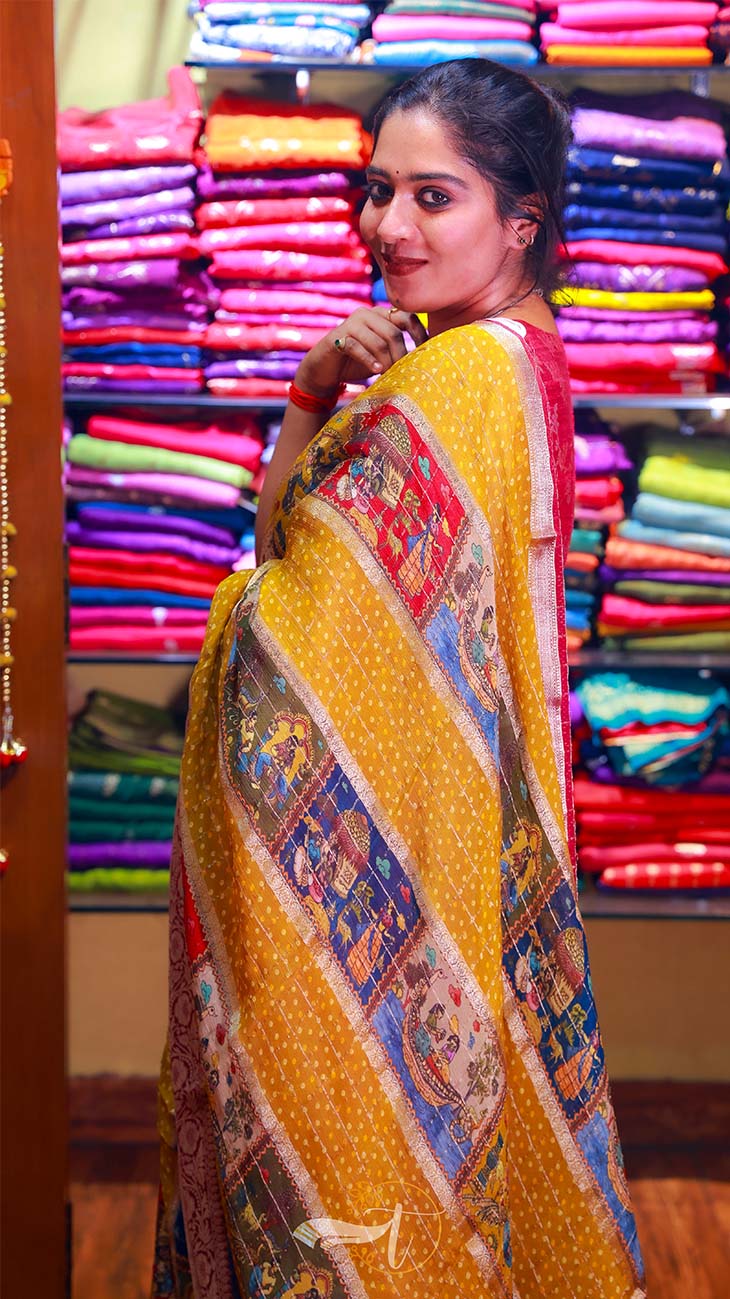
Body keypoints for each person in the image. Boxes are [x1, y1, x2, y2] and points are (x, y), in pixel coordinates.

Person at [152, 60, 646, 1299]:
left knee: (358, 1182)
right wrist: (324, 384)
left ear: (520, 220)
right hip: (441, 839)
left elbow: (281, 626)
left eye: (435, 198)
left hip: (372, 878)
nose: (388, 227)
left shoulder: (449, 381)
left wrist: (320, 402)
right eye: (378, 193)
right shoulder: (520, 360)